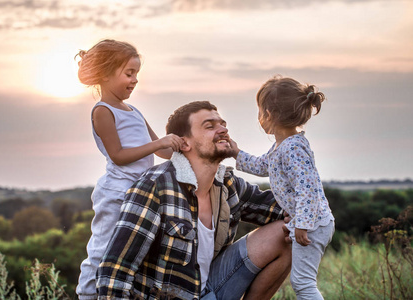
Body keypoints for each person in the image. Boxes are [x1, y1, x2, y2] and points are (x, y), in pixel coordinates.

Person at [96, 101, 292, 300]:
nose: (223, 129)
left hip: (211, 290)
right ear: (184, 143)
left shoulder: (227, 184)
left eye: (222, 124)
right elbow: (114, 272)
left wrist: (300, 168)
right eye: (210, 126)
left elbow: (288, 207)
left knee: (287, 231)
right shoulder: (155, 186)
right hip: (167, 296)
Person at [75, 39, 184, 300]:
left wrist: (186, 146)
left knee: (133, 250)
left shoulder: (133, 110)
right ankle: (87, 294)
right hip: (116, 191)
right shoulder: (102, 111)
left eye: (136, 74)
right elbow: (119, 156)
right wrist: (159, 143)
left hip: (140, 191)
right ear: (105, 73)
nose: (134, 80)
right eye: (129, 73)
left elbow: (162, 151)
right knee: (104, 247)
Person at [232, 76, 335, 299]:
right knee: (302, 282)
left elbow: (306, 190)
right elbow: (261, 166)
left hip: (313, 224)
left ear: (268, 114)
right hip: (311, 222)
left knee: (303, 284)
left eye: (259, 111)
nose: (259, 117)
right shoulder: (283, 146)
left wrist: (302, 225)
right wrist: (236, 154)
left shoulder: (292, 149)